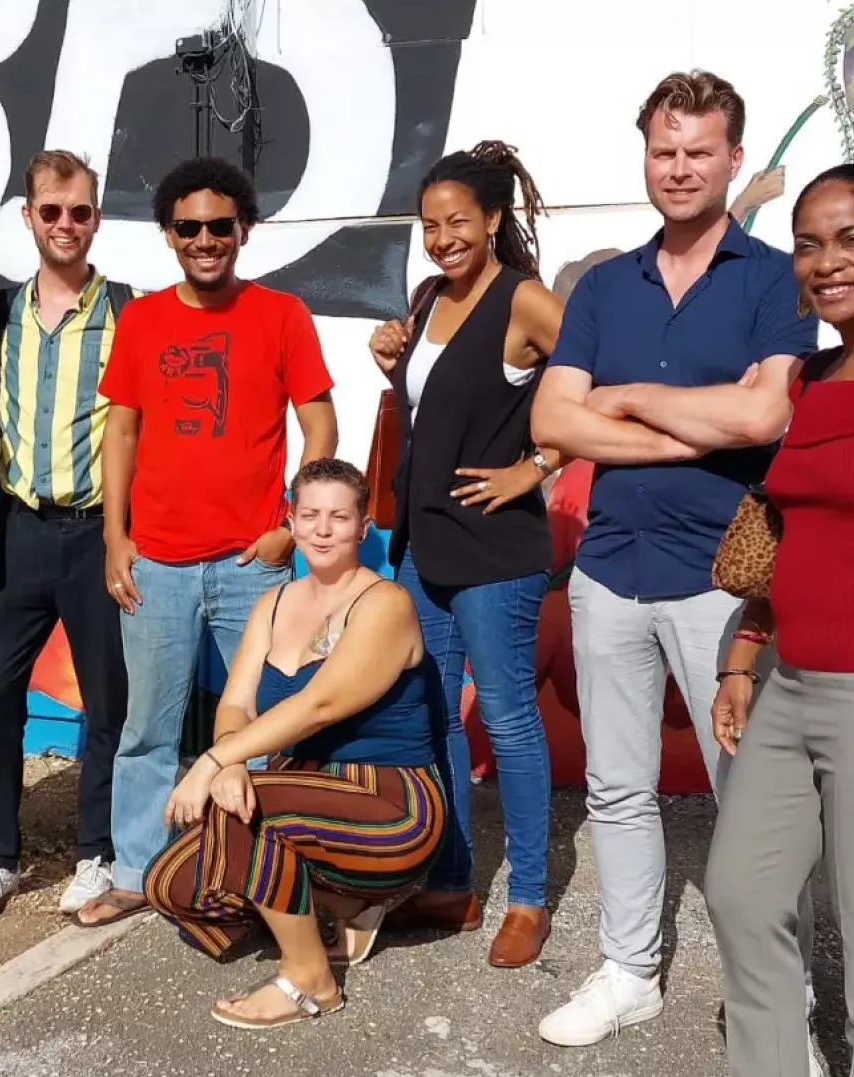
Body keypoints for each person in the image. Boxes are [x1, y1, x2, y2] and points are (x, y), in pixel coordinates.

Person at [528, 70, 820, 1047]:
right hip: (609, 568)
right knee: (614, 786)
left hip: (723, 584)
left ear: (733, 159)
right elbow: (548, 417)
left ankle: (774, 992)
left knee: (754, 798)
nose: (679, 167)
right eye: (663, 150)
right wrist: (694, 424)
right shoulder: (606, 284)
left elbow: (764, 412)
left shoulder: (773, 277)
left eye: (699, 150)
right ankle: (627, 971)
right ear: (643, 157)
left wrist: (617, 404)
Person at [706, 164, 854, 1077]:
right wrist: (743, 657)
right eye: (807, 244)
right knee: (741, 892)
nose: (826, 262)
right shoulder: (810, 378)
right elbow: (786, 534)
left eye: (852, 238)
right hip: (791, 682)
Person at [75, 155, 339, 927]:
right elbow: (120, 430)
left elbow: (318, 421)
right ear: (168, 235)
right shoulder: (145, 320)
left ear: (243, 230)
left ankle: (255, 875)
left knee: (262, 727)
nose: (204, 239)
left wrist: (291, 524)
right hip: (155, 561)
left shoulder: (282, 314)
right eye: (188, 227)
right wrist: (114, 537)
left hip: (249, 565)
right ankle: (133, 868)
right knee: (147, 728)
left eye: (219, 226)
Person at [145, 458, 444, 1029]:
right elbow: (234, 704)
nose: (323, 529)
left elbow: (319, 705)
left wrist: (215, 762)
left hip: (388, 803)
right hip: (296, 787)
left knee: (244, 816)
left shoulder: (385, 603)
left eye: (339, 516)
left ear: (363, 526)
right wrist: (231, 761)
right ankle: (336, 905)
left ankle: (311, 978)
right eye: (310, 515)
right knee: (169, 882)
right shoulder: (273, 603)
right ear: (292, 521)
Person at [366, 142, 566, 968]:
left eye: (457, 222)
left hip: (496, 546)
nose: (442, 237)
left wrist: (539, 463)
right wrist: (391, 357)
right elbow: (430, 406)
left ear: (492, 221)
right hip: (423, 544)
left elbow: (601, 374)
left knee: (511, 718)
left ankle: (528, 896)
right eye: (429, 225)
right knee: (434, 712)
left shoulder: (524, 299)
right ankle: (451, 876)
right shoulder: (424, 297)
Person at [0, 150, 135, 929]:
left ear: (97, 219)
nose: (67, 224)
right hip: (17, 528)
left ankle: (96, 849)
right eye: (52, 210)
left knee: (107, 702)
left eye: (81, 211)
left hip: (97, 532)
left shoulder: (128, 308)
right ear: (27, 217)